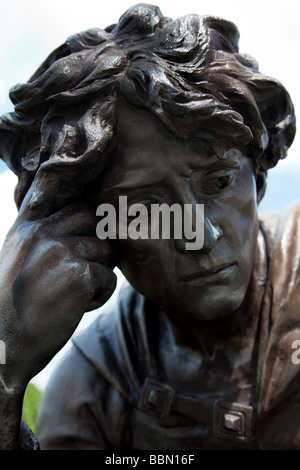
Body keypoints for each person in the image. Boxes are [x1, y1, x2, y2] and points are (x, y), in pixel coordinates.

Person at [0, 3, 298, 450]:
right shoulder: (94, 388)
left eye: (218, 181)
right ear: (91, 229)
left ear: (256, 173)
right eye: (144, 207)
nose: (200, 236)